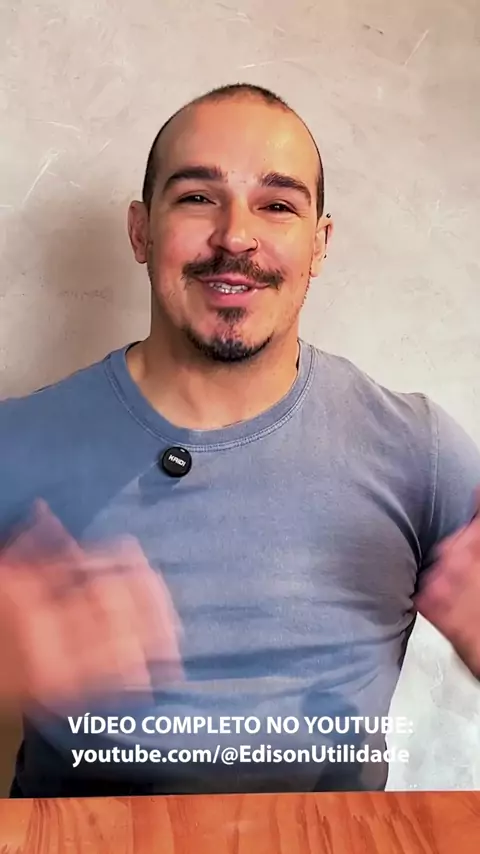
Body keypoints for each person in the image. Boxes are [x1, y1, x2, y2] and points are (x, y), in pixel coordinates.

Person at [1, 83, 480, 799]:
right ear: (141, 230)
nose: (235, 237)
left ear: (319, 244)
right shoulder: (17, 444)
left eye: (277, 205)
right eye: (198, 197)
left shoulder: (420, 449)